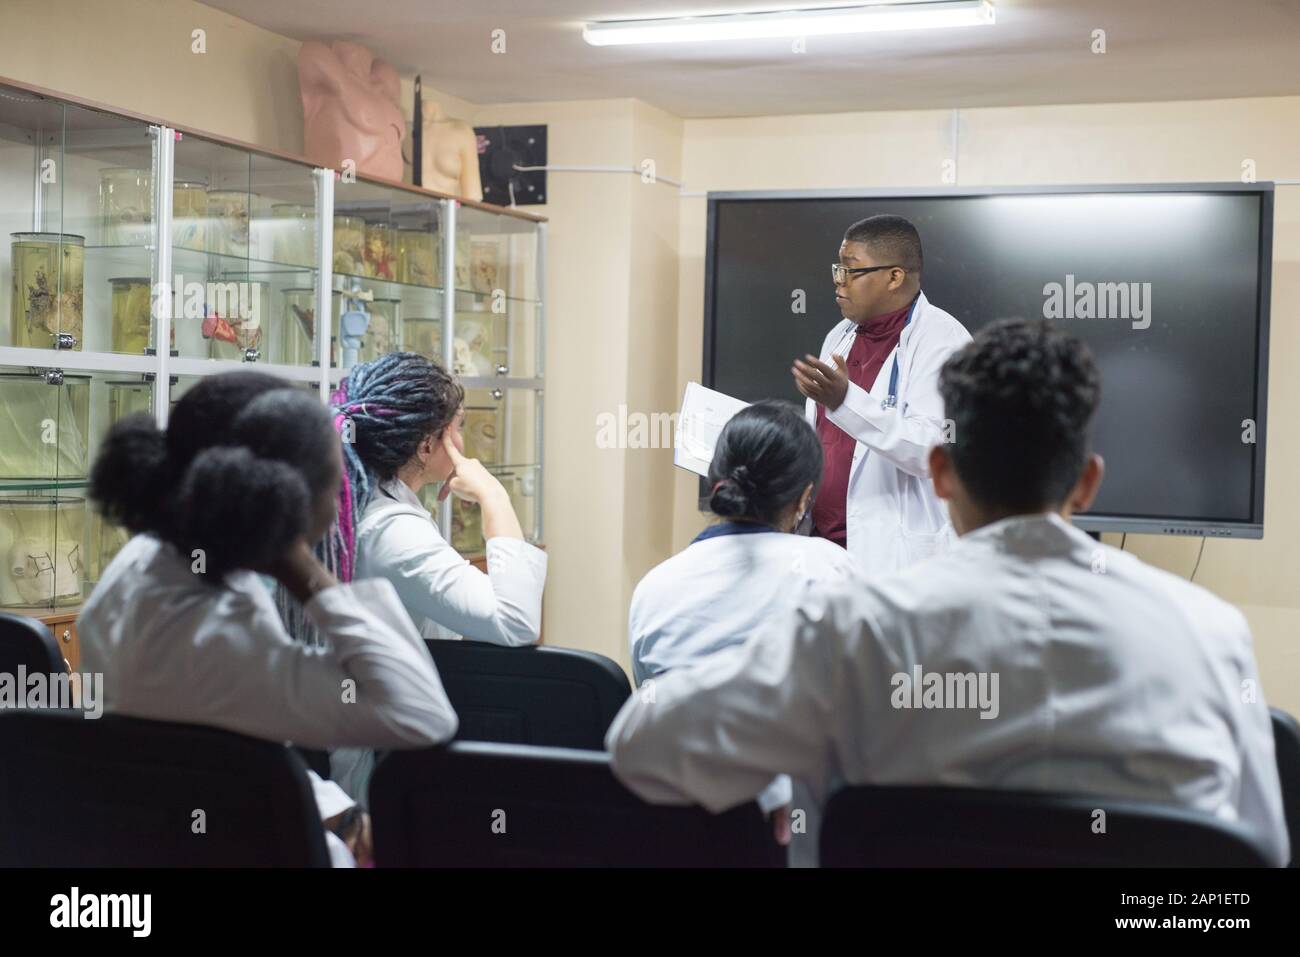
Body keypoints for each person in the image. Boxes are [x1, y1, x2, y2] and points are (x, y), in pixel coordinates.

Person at [609, 319, 1290, 867]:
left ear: (939, 472)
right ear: (1087, 482)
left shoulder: (851, 631)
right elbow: (1262, 851)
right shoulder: (1211, 633)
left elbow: (641, 750)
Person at [80, 371, 458, 867]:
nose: (342, 503)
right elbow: (422, 714)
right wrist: (303, 569)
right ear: (282, 499)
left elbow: (228, 748)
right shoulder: (222, 636)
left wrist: (341, 816)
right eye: (336, 484)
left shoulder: (140, 568)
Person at [284, 352, 546, 799]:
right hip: (374, 773)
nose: (462, 443)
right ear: (426, 446)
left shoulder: (361, 504)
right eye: (457, 428)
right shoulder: (392, 531)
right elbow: (516, 621)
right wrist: (495, 497)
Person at [792, 214, 970, 577]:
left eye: (850, 270)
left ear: (894, 277)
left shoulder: (943, 341)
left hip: (894, 560)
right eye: (837, 269)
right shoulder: (839, 336)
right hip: (823, 551)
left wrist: (845, 402)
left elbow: (934, 451)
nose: (838, 281)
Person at [630, 400, 850, 686]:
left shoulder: (652, 589)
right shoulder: (833, 571)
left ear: (715, 480)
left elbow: (651, 700)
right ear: (805, 498)